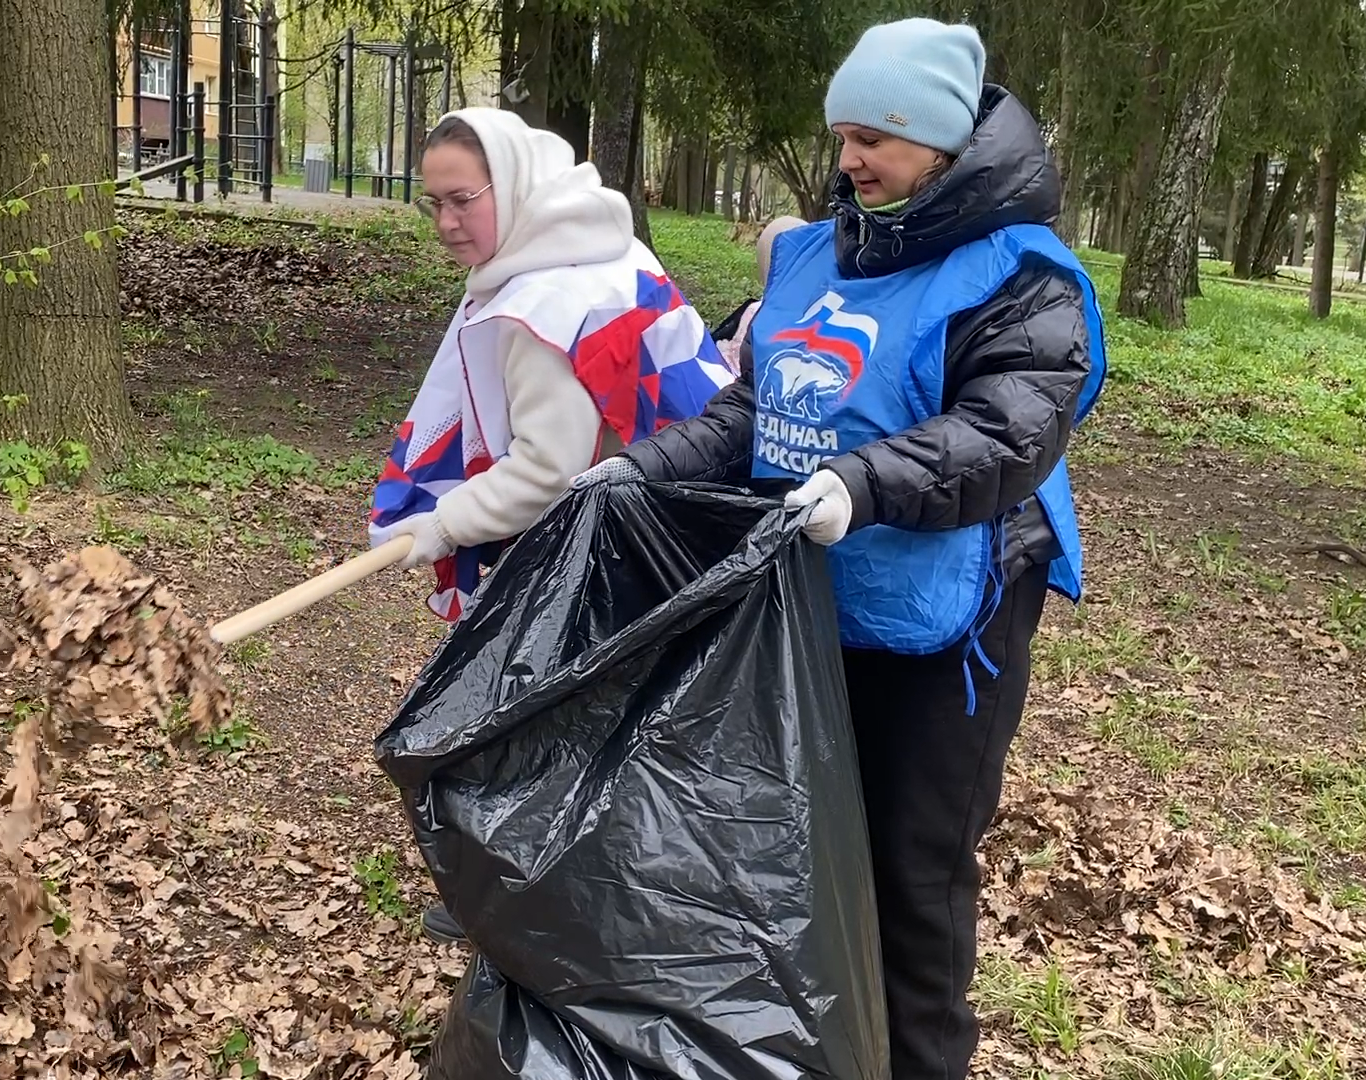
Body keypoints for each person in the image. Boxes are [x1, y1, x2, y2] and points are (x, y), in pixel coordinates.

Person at [577, 18, 1106, 1080]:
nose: (848, 159)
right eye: (843, 136)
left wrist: (861, 484)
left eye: (875, 138)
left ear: (944, 143)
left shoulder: (1024, 278)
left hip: (949, 627)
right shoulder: (815, 253)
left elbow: (1007, 434)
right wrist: (642, 469)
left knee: (911, 880)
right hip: (808, 607)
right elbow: (752, 410)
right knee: (799, 860)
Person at [367, 107, 735, 944]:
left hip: (621, 537)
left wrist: (441, 524)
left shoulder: (543, 304)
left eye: (462, 200)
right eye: (432, 205)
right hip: (679, 520)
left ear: (516, 184)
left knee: (541, 717)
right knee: (604, 717)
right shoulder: (597, 245)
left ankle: (536, 904)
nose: (447, 224)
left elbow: (546, 469)